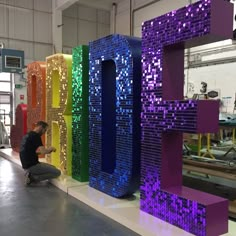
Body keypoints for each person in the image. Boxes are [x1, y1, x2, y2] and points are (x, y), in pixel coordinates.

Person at [19, 121, 61, 186]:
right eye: (45, 130)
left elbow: (29, 152)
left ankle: (31, 174)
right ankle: (33, 178)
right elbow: (43, 152)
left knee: (53, 167)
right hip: (32, 166)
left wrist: (43, 152)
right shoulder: (36, 136)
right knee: (57, 172)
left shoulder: (28, 135)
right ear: (41, 127)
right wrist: (51, 148)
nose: (44, 132)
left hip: (26, 165)